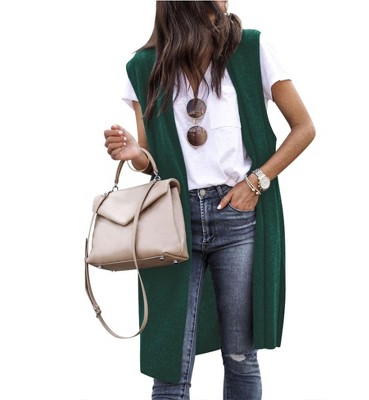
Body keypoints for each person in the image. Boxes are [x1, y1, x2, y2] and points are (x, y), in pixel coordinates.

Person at [104, 1, 315, 399]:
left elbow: (304, 127)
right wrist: (135, 153)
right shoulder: (143, 67)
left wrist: (257, 181)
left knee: (240, 356)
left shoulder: (250, 49)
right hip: (172, 224)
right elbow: (151, 159)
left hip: (237, 218)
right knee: (169, 363)